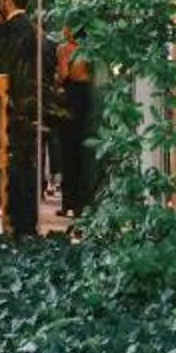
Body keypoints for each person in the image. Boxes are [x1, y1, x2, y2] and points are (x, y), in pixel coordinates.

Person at [0, 0, 41, 235]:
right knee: (28, 164)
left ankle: (11, 215)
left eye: (1, 0)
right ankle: (27, 221)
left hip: (10, 105)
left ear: (8, 1)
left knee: (13, 163)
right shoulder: (34, 29)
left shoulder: (5, 31)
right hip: (33, 106)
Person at [53, 29, 99, 216]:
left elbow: (64, 74)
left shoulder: (65, 49)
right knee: (84, 151)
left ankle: (68, 202)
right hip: (88, 97)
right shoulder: (91, 50)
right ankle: (83, 203)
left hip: (71, 98)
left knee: (68, 151)